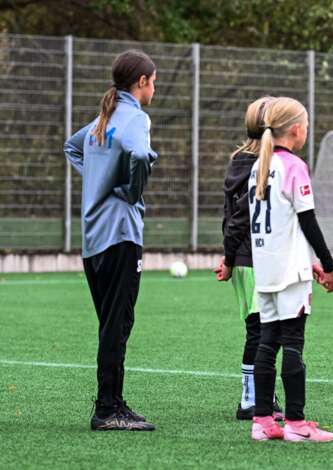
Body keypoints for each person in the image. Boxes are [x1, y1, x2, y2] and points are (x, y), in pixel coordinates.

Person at [64, 49, 158, 431]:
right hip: (121, 234)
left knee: (111, 324)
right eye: (153, 81)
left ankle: (113, 403)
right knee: (118, 325)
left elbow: (71, 147)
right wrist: (131, 191)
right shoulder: (135, 117)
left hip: (93, 239)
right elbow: (139, 154)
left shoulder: (103, 118)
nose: (154, 88)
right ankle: (107, 409)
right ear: (141, 82)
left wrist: (97, 179)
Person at [248, 97, 333, 443]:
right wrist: (328, 264)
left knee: (267, 342)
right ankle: (297, 425)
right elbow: (308, 220)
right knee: (294, 344)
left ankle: (262, 421)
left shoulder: (261, 164)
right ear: (297, 130)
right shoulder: (294, 165)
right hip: (290, 273)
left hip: (266, 270)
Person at [213, 96, 285, 421]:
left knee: (260, 329)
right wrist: (230, 257)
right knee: (261, 330)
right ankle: (251, 400)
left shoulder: (238, 161)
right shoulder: (262, 166)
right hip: (255, 260)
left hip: (245, 260)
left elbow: (228, 218)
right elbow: (240, 217)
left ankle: (260, 394)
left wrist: (229, 257)